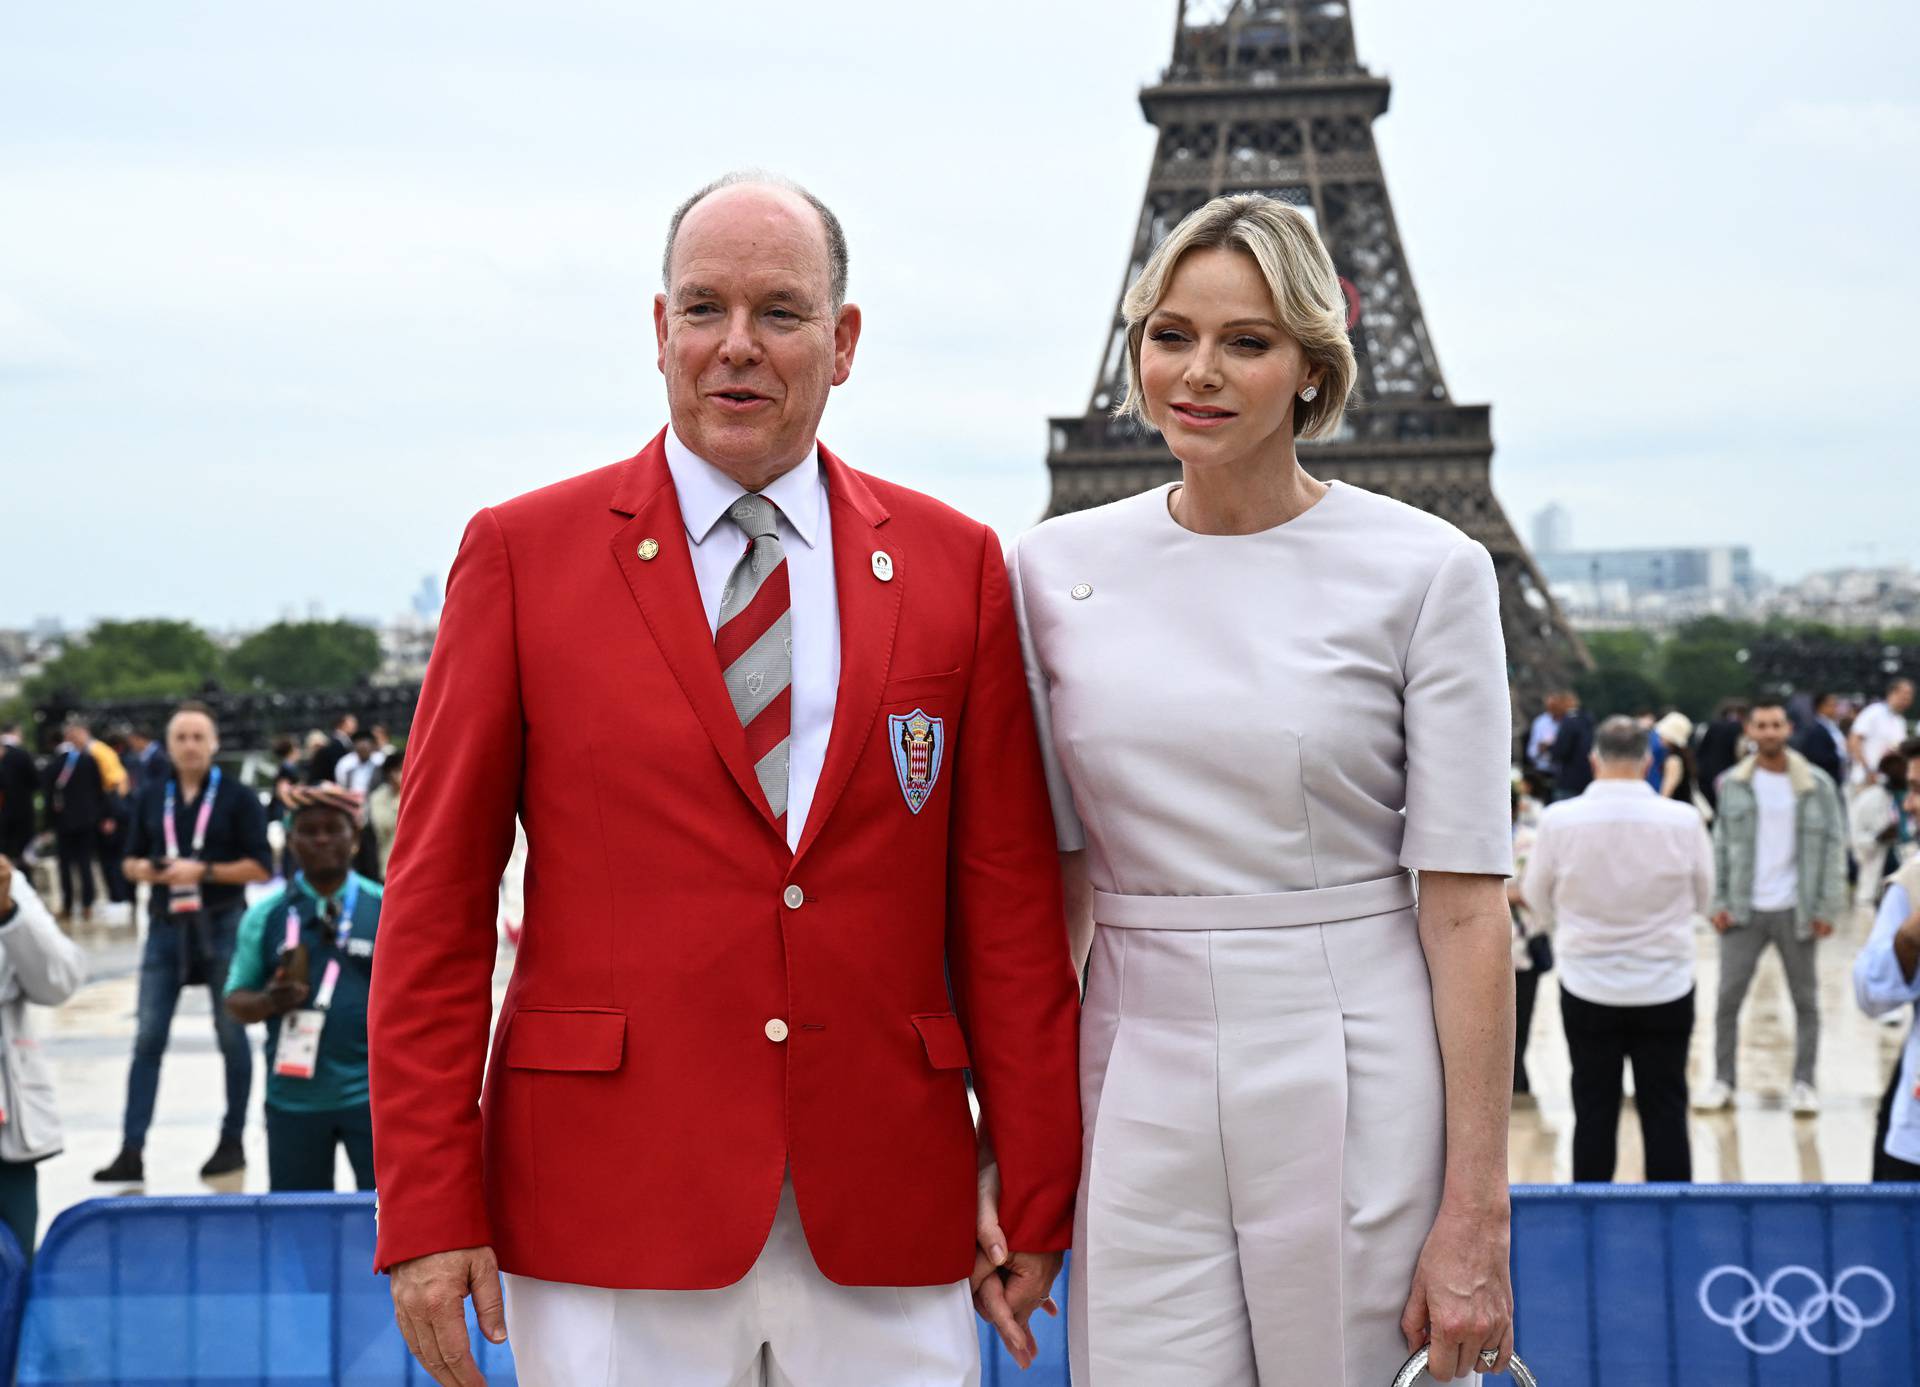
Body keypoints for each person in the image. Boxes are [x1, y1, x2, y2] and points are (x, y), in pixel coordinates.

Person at [369, 171, 1081, 1387]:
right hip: (605, 1201)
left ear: (844, 341)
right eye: (704, 308)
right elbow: (434, 903)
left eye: (781, 312)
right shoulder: (521, 556)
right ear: (659, 332)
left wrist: (1033, 1166)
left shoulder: (958, 565)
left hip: (888, 1199)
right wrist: (429, 1206)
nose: (736, 346)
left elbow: (1006, 907)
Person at [1006, 193, 1515, 1384]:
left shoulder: (1429, 572)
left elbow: (1463, 904)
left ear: (1310, 366)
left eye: (1246, 341)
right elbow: (1054, 884)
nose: (1200, 370)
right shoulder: (1047, 568)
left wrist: (1478, 1213)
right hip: (1129, 1050)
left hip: (1355, 1049)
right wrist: (1015, 1139)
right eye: (1171, 334)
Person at [1522, 716, 1713, 1182]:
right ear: (1649, 760)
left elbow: (1535, 894)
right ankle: (1673, 1222)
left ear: (1593, 760)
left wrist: (1568, 928)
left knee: (1593, 1109)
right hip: (1665, 981)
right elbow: (1705, 897)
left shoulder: (1559, 820)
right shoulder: (1683, 821)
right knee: (1666, 1108)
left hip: (1587, 981)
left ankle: (1593, 1217)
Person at [95, 701, 272, 1184]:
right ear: (168, 746)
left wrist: (204, 870)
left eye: (199, 737)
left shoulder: (236, 797)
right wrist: (147, 870)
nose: (190, 746)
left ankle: (232, 1139)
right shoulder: (153, 795)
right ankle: (131, 1148)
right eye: (181, 738)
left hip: (221, 920)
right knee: (148, 1037)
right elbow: (127, 862)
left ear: (214, 744)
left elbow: (262, 866)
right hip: (166, 925)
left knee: (232, 1035)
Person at [1696, 699, 1848, 1116]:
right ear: (1749, 730)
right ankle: (1723, 1081)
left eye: (1776, 725)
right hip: (1743, 909)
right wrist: (1718, 902)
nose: (1769, 733)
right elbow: (1721, 845)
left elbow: (1835, 846)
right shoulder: (1735, 784)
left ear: (1788, 729)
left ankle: (1804, 1082)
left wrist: (1827, 907)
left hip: (1796, 909)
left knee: (1806, 1002)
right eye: (1761, 725)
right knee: (1727, 1000)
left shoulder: (1816, 784)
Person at [225, 785, 381, 1191]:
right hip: (293, 1102)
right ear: (291, 841)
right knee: (299, 1231)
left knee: (387, 1228)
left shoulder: (386, 907)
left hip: (375, 1102)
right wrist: (267, 1001)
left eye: (334, 829)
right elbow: (235, 1000)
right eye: (309, 831)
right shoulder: (266, 915)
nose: (322, 839)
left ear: (355, 838)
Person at [0, 852, 88, 1256]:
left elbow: (59, 981)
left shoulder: (8, 884)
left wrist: (8, 914)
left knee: (13, 1278)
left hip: (5, 1134)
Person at [1853, 747, 1920, 1181]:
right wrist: (1909, 937)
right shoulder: (1913, 883)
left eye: (1918, 791)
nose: (1910, 803)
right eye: (1911, 788)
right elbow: (1872, 992)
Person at [41, 719, 110, 922]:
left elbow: (48, 797)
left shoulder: (53, 764)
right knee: (85, 862)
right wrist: (102, 815)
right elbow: (100, 791)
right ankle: (88, 904)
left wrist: (48, 824)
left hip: (64, 822)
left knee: (65, 865)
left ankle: (68, 905)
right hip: (87, 820)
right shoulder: (88, 760)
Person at [1509, 786, 1548, 1101]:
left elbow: (1540, 892)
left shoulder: (1532, 843)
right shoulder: (1471, 843)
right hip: (1481, 952)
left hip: (1523, 950)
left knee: (1519, 1029)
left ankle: (1518, 1091)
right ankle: (1515, 1091)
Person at [1851, 753, 1909, 911]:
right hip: (1879, 879)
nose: (1898, 770)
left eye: (1902, 765)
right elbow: (1855, 841)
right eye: (1892, 766)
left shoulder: (1911, 797)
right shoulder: (1869, 799)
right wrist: (1879, 838)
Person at [1851, 678, 1913, 789]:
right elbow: (1853, 741)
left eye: (1909, 696)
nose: (1907, 699)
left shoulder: (1900, 721)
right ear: (1892, 693)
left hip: (1886, 783)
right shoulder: (1873, 712)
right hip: (1864, 780)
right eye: (1904, 694)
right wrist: (1867, 770)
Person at [1695, 698, 1750, 813]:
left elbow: (1700, 751)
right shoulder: (1739, 728)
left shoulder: (1712, 725)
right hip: (1727, 775)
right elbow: (1741, 753)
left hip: (1705, 775)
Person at [1792, 691, 1847, 786]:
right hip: (1825, 780)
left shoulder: (1830, 726)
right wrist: (1837, 759)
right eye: (1832, 705)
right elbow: (1818, 757)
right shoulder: (1816, 730)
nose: (1836, 709)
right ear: (1822, 706)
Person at [0, 725, 36, 866]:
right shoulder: (23, 754)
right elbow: (35, 782)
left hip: (4, 812)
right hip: (22, 812)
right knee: (22, 854)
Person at [1550, 692, 1595, 802]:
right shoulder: (1587, 718)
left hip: (1569, 781)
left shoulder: (1568, 722)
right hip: (1588, 778)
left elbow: (1560, 751)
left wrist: (1551, 748)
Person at [366, 751, 403, 880]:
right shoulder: (377, 797)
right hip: (388, 865)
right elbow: (381, 826)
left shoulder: (419, 793)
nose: (396, 775)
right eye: (392, 771)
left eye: (400, 769)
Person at [1653, 710, 1697, 808]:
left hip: (1676, 809)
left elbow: (1666, 792)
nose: (1660, 735)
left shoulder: (1673, 760)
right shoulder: (1683, 756)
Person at [308, 712, 357, 785]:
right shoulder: (335, 743)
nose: (355, 725)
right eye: (352, 722)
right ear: (343, 724)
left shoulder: (345, 742)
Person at [1526, 694, 1564, 778]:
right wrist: (1540, 749)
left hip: (1561, 771)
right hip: (1542, 770)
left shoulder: (1567, 722)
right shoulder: (1540, 722)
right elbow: (1531, 751)